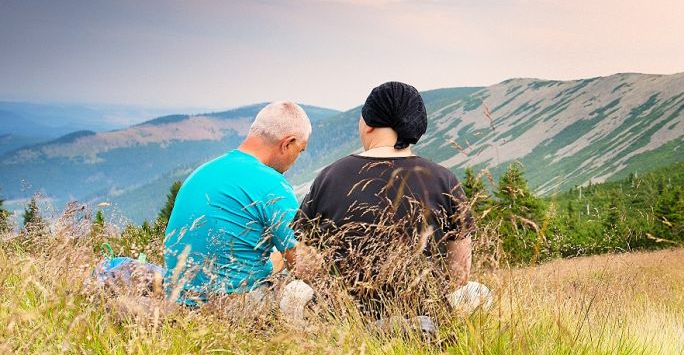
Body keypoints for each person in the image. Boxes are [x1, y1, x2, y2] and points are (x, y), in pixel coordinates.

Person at [297, 81, 475, 317]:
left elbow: (303, 262)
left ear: (369, 123)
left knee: (294, 291)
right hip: (424, 318)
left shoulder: (331, 175)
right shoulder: (445, 179)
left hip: (346, 319)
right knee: (476, 292)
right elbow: (460, 274)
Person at [163, 101, 313, 306]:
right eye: (300, 150)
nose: (297, 158)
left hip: (176, 300)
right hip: (232, 306)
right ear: (287, 144)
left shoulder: (203, 172)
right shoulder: (272, 184)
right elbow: (301, 264)